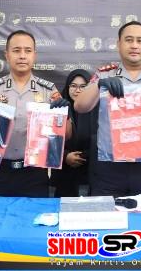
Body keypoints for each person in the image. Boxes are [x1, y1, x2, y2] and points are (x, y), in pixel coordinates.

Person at [75, 21, 141, 199]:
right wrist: (99, 85)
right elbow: (80, 106)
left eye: (140, 41)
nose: (134, 45)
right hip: (109, 167)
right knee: (107, 215)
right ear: (119, 44)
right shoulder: (104, 74)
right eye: (129, 40)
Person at [0, 30, 71, 197]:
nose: (22, 56)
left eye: (27, 51)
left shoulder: (48, 91)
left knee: (32, 213)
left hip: (33, 172)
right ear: (7, 55)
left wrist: (65, 116)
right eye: (16, 50)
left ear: (34, 55)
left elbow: (67, 135)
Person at [50, 69, 98, 197]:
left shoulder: (98, 110)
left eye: (83, 86)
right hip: (63, 175)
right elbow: (49, 139)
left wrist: (81, 157)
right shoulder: (58, 108)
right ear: (67, 87)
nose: (77, 90)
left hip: (90, 174)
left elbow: (102, 140)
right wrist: (65, 156)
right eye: (73, 86)